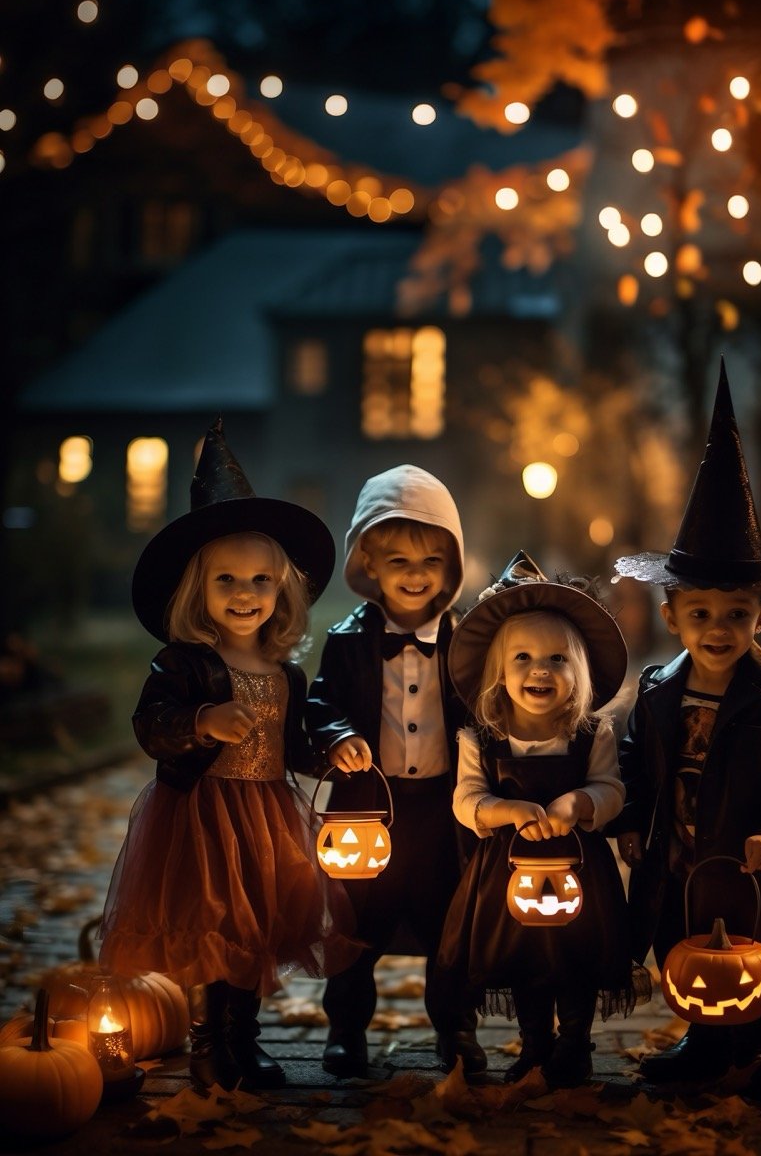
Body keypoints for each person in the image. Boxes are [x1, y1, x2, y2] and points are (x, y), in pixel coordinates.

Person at [99, 418, 360, 1092]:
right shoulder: (184, 663)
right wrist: (201, 719)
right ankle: (211, 1041)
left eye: (259, 582)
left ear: (283, 592)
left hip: (268, 815)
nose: (244, 595)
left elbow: (294, 744)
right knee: (213, 927)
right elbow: (150, 725)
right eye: (226, 581)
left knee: (259, 928)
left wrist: (332, 755)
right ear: (197, 589)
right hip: (202, 816)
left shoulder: (283, 672)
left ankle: (245, 1038)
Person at [610, 360, 761, 1092]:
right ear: (671, 615)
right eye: (699, 613)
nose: (717, 628)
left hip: (748, 860)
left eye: (735, 614)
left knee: (753, 952)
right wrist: (635, 823)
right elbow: (638, 766)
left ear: (759, 617)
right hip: (679, 856)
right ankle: (703, 1045)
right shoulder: (657, 693)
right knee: (688, 947)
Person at [435, 551, 646, 1089]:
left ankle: (574, 1040)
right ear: (499, 673)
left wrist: (580, 803)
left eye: (557, 659)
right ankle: (535, 1043)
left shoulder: (590, 733)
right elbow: (466, 800)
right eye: (523, 658)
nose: (540, 670)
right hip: (506, 870)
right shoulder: (478, 739)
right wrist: (504, 809)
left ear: (578, 672)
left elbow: (612, 788)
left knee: (574, 957)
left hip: (579, 869)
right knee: (527, 959)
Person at [305, 464, 486, 1079]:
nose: (414, 575)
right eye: (399, 561)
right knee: (357, 925)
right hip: (367, 805)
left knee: (450, 925)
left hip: (443, 808)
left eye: (430, 562)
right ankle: (347, 1031)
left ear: (450, 570)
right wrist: (336, 737)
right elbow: (320, 702)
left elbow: (482, 708)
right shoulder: (348, 640)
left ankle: (456, 1029)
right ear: (370, 566)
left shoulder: (466, 644)